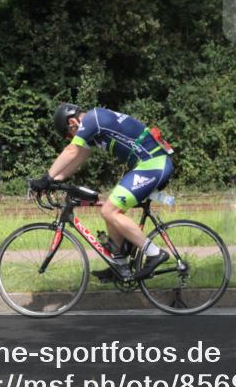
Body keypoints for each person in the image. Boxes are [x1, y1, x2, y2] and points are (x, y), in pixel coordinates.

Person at [30, 103, 174, 281]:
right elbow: (79, 156)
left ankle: (154, 253)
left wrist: (46, 178)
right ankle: (119, 265)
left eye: (69, 133)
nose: (72, 138)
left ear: (73, 121)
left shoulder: (93, 118)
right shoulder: (94, 129)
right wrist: (56, 180)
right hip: (146, 166)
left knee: (109, 210)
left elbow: (71, 150)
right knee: (110, 212)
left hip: (153, 164)